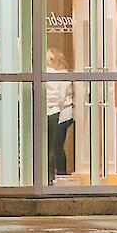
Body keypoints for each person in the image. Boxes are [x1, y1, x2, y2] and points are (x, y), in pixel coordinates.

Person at [45, 48, 75, 181]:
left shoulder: (59, 75)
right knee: (54, 145)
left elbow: (61, 98)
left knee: (55, 146)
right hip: (57, 110)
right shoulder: (55, 74)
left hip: (59, 112)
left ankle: (58, 172)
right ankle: (53, 174)